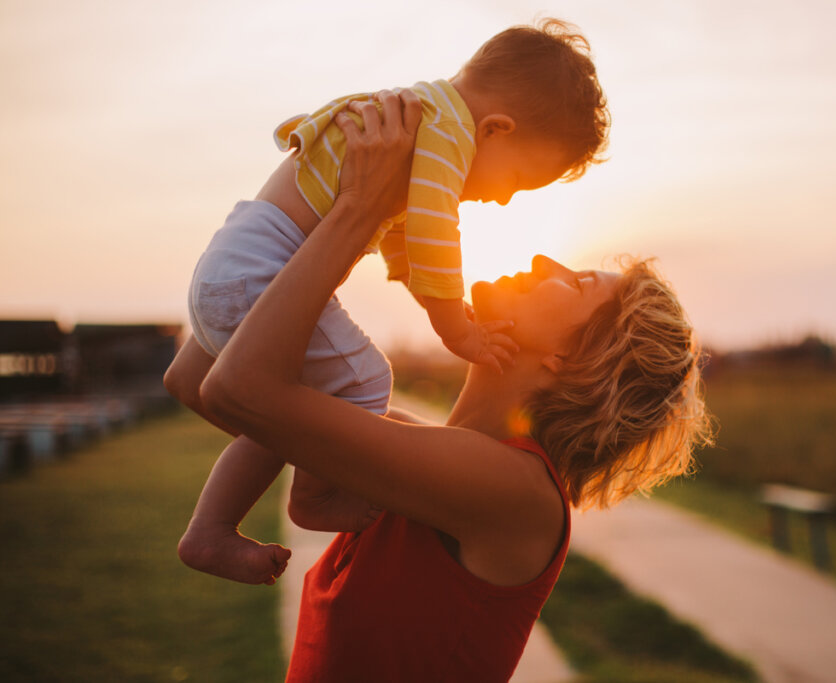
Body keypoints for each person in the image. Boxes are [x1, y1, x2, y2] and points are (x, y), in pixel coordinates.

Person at [170, 89, 711, 682]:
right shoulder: (408, 455)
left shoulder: (515, 491)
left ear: (570, 357)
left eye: (574, 281)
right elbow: (197, 379)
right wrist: (303, 216)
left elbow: (237, 390)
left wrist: (359, 209)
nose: (541, 263)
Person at [172, 18, 610, 585]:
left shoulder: (420, 116)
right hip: (261, 274)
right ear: (497, 129)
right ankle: (312, 496)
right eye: (520, 180)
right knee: (365, 382)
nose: (503, 200)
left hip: (230, 264)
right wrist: (455, 328)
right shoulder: (449, 136)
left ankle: (212, 528)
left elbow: (401, 237)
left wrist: (425, 296)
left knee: (293, 411)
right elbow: (432, 233)